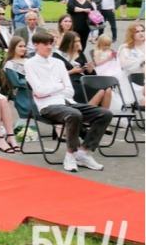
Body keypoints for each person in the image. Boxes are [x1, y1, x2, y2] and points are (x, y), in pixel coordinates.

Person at [25, 31, 112, 172]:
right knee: (74, 114)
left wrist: (54, 88)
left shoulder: (58, 63)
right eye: (45, 44)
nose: (49, 47)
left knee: (105, 114)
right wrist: (59, 85)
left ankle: (83, 152)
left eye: (50, 44)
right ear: (36, 45)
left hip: (67, 101)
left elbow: (69, 90)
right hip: (48, 106)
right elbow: (39, 91)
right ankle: (70, 154)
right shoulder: (30, 64)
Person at [53, 31, 108, 106]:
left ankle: (100, 114)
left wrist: (90, 70)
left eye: (79, 41)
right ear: (67, 42)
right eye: (74, 41)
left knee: (106, 88)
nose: (77, 43)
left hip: (82, 79)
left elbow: (86, 72)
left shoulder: (80, 53)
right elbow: (55, 74)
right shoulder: (57, 55)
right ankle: (88, 112)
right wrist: (72, 71)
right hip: (69, 81)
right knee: (84, 89)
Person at [3, 36, 32, 122]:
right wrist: (33, 82)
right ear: (13, 47)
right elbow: (17, 82)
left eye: (24, 46)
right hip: (23, 95)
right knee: (25, 120)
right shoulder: (10, 64)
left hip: (36, 92)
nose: (23, 49)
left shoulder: (28, 61)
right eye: (20, 46)